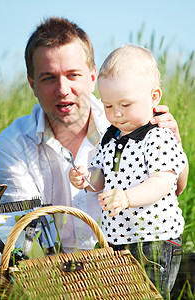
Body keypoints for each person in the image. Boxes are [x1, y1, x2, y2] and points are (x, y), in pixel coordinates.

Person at [0, 17, 188, 253]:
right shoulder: (12, 144)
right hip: (49, 273)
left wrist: (173, 143)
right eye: (49, 78)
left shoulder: (132, 120)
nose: (63, 90)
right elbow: (26, 234)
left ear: (93, 77)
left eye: (73, 75)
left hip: (127, 254)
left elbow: (174, 187)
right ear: (32, 84)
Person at [69, 44, 188, 298]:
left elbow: (163, 182)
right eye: (109, 106)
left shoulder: (158, 136)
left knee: (151, 294)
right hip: (118, 238)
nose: (117, 114)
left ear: (154, 97)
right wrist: (86, 177)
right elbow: (102, 174)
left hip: (154, 239)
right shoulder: (110, 137)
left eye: (126, 104)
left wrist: (126, 197)